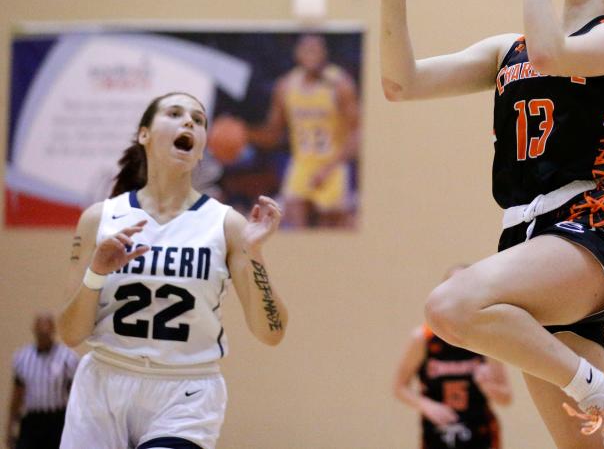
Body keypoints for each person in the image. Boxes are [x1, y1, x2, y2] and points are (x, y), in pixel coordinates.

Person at [349, 0, 604, 449]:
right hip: (526, 232)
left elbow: (552, 54)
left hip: (593, 223)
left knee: (449, 306)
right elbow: (401, 83)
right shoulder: (509, 50)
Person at [56, 91, 288, 449]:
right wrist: (96, 273)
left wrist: (254, 253)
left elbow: (271, 332)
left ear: (201, 148)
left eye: (198, 120)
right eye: (176, 113)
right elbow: (70, 334)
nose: (189, 122)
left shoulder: (226, 224)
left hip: (186, 391)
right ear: (144, 134)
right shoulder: (99, 219)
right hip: (104, 384)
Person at [245, 33, 361, 229]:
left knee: (331, 233)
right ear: (297, 54)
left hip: (333, 165)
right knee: (297, 227)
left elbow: (358, 133)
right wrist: (245, 133)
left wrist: (329, 168)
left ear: (325, 53)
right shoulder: (285, 85)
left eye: (316, 49)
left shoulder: (340, 83)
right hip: (302, 165)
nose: (311, 54)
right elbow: (273, 134)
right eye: (306, 49)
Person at [393, 265, 513, 449]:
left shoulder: (487, 338)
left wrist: (488, 386)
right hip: (437, 434)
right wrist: (426, 406)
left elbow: (506, 398)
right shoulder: (423, 339)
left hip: (481, 434)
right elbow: (400, 387)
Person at [6, 312, 78, 449]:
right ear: (34, 330)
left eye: (47, 328)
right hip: (32, 421)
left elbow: (75, 394)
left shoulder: (67, 358)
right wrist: (10, 428)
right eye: (40, 329)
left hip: (57, 420)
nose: (44, 332)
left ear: (53, 330)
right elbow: (17, 395)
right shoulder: (22, 358)